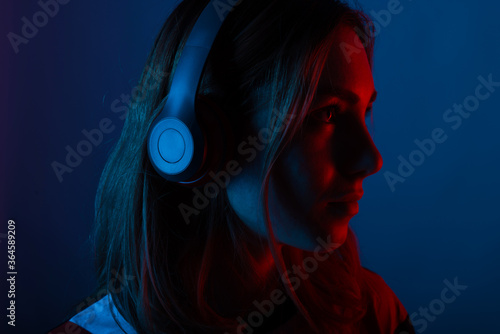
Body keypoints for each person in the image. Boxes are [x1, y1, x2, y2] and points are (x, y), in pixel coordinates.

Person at [49, 0, 416, 333]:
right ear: (198, 136)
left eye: (364, 112)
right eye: (327, 113)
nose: (371, 159)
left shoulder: (371, 313)